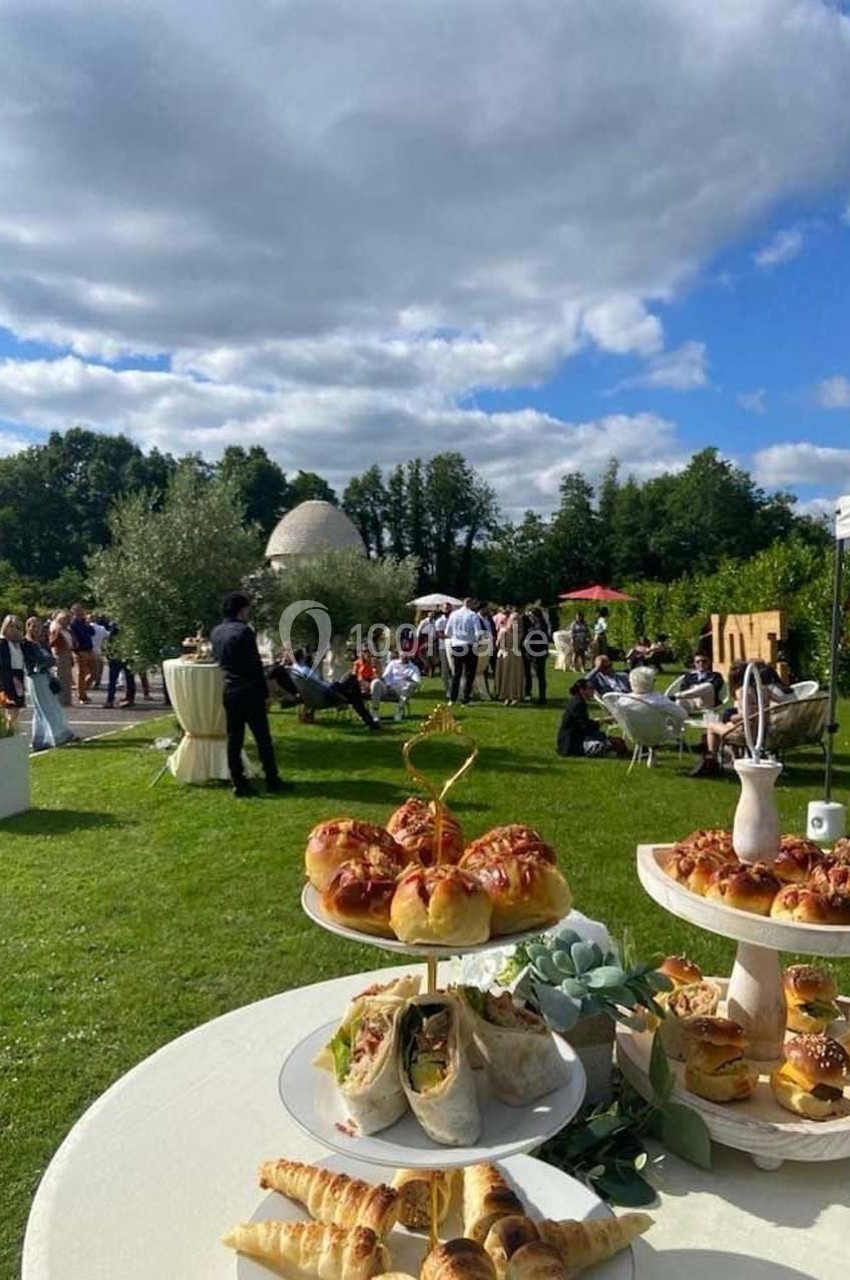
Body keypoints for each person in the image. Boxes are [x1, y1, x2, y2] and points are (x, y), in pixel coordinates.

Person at [211, 592, 290, 797]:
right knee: (262, 738)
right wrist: (266, 694)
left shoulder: (216, 632)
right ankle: (272, 779)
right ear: (241, 609)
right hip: (250, 690)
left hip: (230, 689)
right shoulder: (245, 632)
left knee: (234, 739)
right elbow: (254, 665)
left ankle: (238, 782)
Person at [290, 647, 379, 729]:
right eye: (306, 654)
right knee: (353, 681)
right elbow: (319, 683)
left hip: (320, 694)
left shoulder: (295, 669)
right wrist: (329, 684)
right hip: (326, 694)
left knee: (352, 688)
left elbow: (316, 684)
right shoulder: (305, 670)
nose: (308, 656)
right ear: (302, 657)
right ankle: (369, 721)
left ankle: (369, 720)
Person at [23, 616, 75, 750]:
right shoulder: (26, 643)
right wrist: (46, 661)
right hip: (35, 677)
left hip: (44, 675)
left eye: (38, 626)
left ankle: (39, 738)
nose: (36, 629)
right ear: (28, 627)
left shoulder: (40, 642)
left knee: (44, 707)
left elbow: (49, 659)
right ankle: (56, 736)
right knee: (44, 706)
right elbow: (38, 660)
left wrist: (47, 661)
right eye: (33, 626)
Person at [556, 678, 625, 757]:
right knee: (612, 744)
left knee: (616, 742)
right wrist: (603, 721)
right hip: (573, 744)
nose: (593, 691)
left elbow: (583, 723)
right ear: (582, 690)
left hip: (577, 739)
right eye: (591, 688)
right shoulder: (578, 704)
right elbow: (586, 727)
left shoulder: (577, 701)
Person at [444, 598, 483, 705]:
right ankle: (466, 699)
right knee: (469, 673)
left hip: (456, 645)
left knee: (456, 673)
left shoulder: (454, 614)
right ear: (471, 604)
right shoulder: (473, 615)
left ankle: (452, 698)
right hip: (470, 645)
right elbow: (478, 633)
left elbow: (447, 631)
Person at [370, 649, 422, 720]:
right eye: (402, 655)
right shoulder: (392, 663)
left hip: (401, 690)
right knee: (375, 682)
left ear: (409, 656)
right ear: (399, 655)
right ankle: (375, 712)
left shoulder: (413, 668)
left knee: (409, 686)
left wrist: (410, 680)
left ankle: (399, 712)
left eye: (405, 655)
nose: (403, 657)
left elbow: (418, 683)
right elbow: (385, 676)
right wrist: (387, 684)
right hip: (387, 687)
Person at [495, 608, 524, 705]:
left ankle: (510, 696)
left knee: (510, 676)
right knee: (510, 676)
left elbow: (498, 644)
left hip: (510, 655)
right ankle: (510, 695)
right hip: (511, 655)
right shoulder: (515, 632)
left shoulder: (509, 631)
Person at [0, 614, 26, 723]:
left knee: (16, 706)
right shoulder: (2, 642)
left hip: (18, 675)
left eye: (17, 627)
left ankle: (10, 729)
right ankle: (8, 730)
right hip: (6, 676)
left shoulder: (19, 643)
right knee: (9, 705)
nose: (14, 629)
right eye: (12, 626)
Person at [523, 606, 550, 705]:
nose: (530, 617)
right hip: (532, 652)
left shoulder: (540, 624)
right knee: (531, 674)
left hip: (538, 652)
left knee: (540, 675)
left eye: (531, 615)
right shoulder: (535, 623)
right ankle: (528, 693)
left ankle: (542, 697)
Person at [69, 603, 95, 705]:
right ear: (73, 612)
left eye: (81, 611)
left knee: (94, 672)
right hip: (80, 651)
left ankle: (82, 689)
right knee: (81, 673)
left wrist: (88, 625)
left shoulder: (84, 622)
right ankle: (82, 695)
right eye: (78, 611)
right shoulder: (72, 624)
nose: (80, 613)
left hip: (89, 649)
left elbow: (92, 633)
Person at [49, 610, 74, 707]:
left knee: (68, 678)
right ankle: (60, 700)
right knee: (60, 678)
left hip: (67, 654)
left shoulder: (67, 630)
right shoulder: (56, 629)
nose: (67, 621)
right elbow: (52, 643)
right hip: (60, 655)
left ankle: (67, 700)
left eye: (68, 619)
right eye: (65, 619)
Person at [89, 615, 110, 689]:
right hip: (97, 651)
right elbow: (108, 635)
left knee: (86, 669)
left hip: (87, 650)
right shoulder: (101, 628)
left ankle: (85, 684)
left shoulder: (84, 627)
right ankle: (96, 683)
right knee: (99, 668)